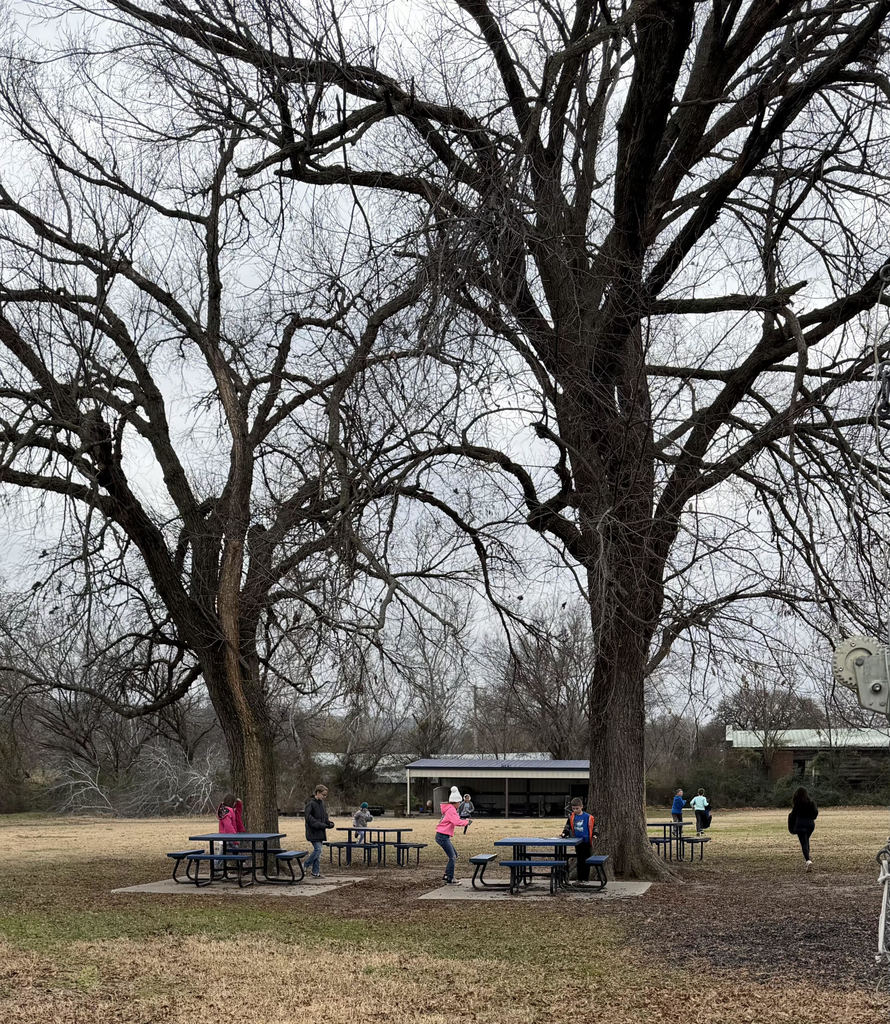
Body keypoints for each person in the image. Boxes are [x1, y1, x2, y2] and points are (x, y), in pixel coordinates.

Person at [436, 785, 471, 885]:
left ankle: (447, 874)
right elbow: (456, 822)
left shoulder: (449, 809)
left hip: (442, 835)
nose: (460, 804)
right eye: (459, 802)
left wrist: (465, 821)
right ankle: (450, 878)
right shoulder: (451, 810)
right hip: (442, 836)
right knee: (452, 857)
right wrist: (466, 822)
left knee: (454, 855)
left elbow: (456, 820)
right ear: (455, 802)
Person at [561, 797, 597, 882]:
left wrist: (595, 834)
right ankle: (580, 878)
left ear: (581, 807)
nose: (575, 810)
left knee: (586, 861)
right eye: (573, 809)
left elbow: (595, 826)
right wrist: (564, 833)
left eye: (577, 808)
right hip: (578, 842)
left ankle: (585, 878)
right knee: (580, 861)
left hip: (587, 842)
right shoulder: (571, 817)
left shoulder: (588, 817)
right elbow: (567, 826)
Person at [304, 784, 335, 879]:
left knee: (319, 853)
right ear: (317, 793)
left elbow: (324, 817)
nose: (325, 797)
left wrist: (329, 823)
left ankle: (315, 872)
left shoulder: (322, 803)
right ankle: (305, 865)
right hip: (313, 831)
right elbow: (309, 819)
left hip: (320, 832)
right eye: (323, 794)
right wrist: (321, 825)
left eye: (326, 795)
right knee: (318, 850)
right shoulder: (310, 804)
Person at [788, 786, 818, 871]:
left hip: (800, 826)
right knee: (806, 841)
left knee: (804, 843)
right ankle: (808, 858)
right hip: (810, 825)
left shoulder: (797, 804)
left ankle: (808, 861)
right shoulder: (811, 803)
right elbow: (815, 813)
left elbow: (793, 816)